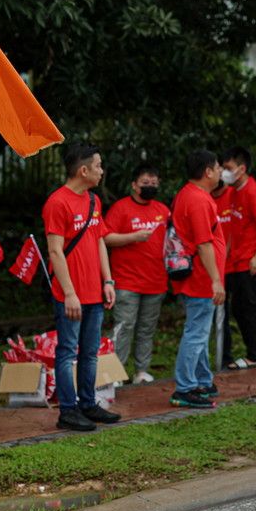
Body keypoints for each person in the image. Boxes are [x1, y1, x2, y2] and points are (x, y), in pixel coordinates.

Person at [44, 144, 121, 432]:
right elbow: (55, 252)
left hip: (95, 291)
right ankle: (68, 410)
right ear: (83, 170)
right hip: (71, 294)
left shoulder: (93, 201)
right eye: (99, 166)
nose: (102, 171)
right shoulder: (57, 202)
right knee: (67, 352)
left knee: (90, 351)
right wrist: (70, 293)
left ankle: (88, 403)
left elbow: (99, 240)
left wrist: (108, 280)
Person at [170, 149, 226, 409]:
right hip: (202, 277)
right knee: (196, 332)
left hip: (200, 275)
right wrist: (216, 280)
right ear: (208, 172)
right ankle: (185, 387)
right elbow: (203, 243)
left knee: (200, 330)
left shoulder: (190, 195)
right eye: (217, 168)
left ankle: (201, 380)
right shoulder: (198, 200)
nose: (220, 172)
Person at [104, 163, 169, 384]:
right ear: (134, 185)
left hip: (156, 280)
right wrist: (133, 237)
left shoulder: (163, 210)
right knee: (124, 327)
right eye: (145, 183)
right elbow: (106, 238)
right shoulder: (121, 208)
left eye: (153, 183)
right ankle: (116, 373)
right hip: (127, 282)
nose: (150, 187)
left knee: (147, 329)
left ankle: (141, 371)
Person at [217, 146, 256, 370]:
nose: (224, 172)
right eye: (222, 168)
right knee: (240, 308)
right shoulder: (234, 192)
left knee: (248, 307)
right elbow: (235, 228)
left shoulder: (252, 191)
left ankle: (255, 354)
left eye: (228, 168)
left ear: (241, 169)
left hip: (250, 259)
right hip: (236, 260)